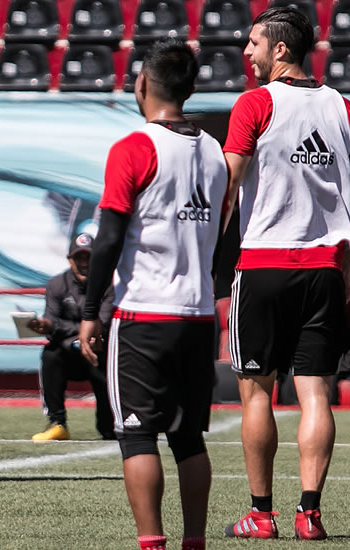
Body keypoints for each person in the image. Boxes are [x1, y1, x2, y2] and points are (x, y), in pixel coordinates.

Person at [78, 39, 227, 550]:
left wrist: (89, 311)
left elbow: (109, 239)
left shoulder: (133, 147)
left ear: (142, 83)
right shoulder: (213, 150)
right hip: (200, 317)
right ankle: (195, 541)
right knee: (189, 438)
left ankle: (150, 543)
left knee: (138, 435)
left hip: (144, 314)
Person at [220, 7, 350, 541]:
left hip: (265, 264)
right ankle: (310, 515)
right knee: (316, 392)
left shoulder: (255, 103)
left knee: (257, 392)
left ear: (279, 50)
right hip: (328, 269)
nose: (246, 53)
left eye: (253, 43)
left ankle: (261, 515)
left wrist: (207, 254)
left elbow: (227, 186)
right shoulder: (342, 107)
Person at [28, 232, 115, 441]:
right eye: (79, 257)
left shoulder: (110, 284)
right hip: (67, 354)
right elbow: (51, 320)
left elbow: (102, 325)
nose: (84, 263)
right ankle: (57, 423)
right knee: (50, 354)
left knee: (103, 356)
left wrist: (58, 327)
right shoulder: (57, 284)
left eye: (89, 257)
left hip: (97, 353)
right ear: (70, 259)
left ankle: (109, 425)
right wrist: (44, 325)